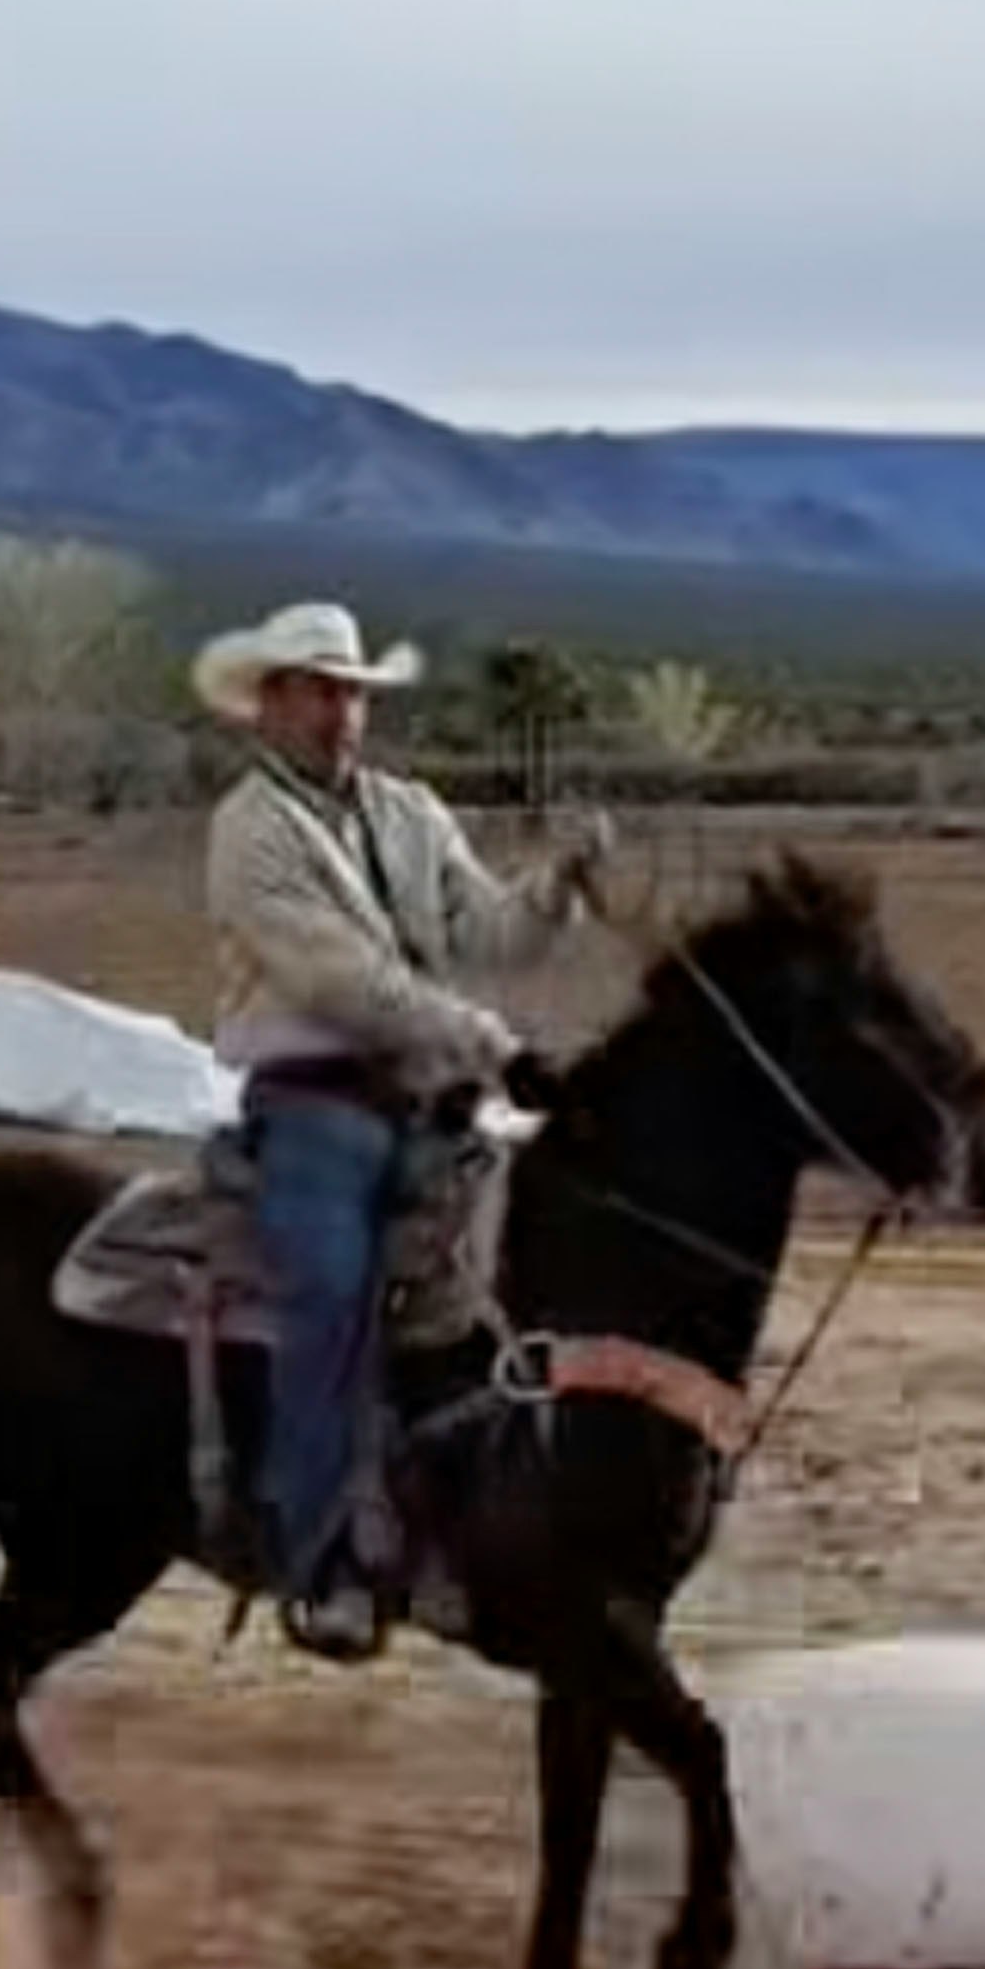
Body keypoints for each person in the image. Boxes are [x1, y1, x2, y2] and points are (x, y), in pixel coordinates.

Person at [192, 600, 610, 1660]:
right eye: (321, 690)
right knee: (331, 1295)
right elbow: (342, 982)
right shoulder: (248, 830)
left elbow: (486, 927)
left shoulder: (409, 812)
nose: (342, 712)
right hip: (314, 1104)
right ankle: (319, 1556)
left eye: (354, 693)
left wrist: (556, 883)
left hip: (427, 1098)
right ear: (269, 701)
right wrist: (493, 1043)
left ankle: (494, 1525)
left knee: (529, 1264)